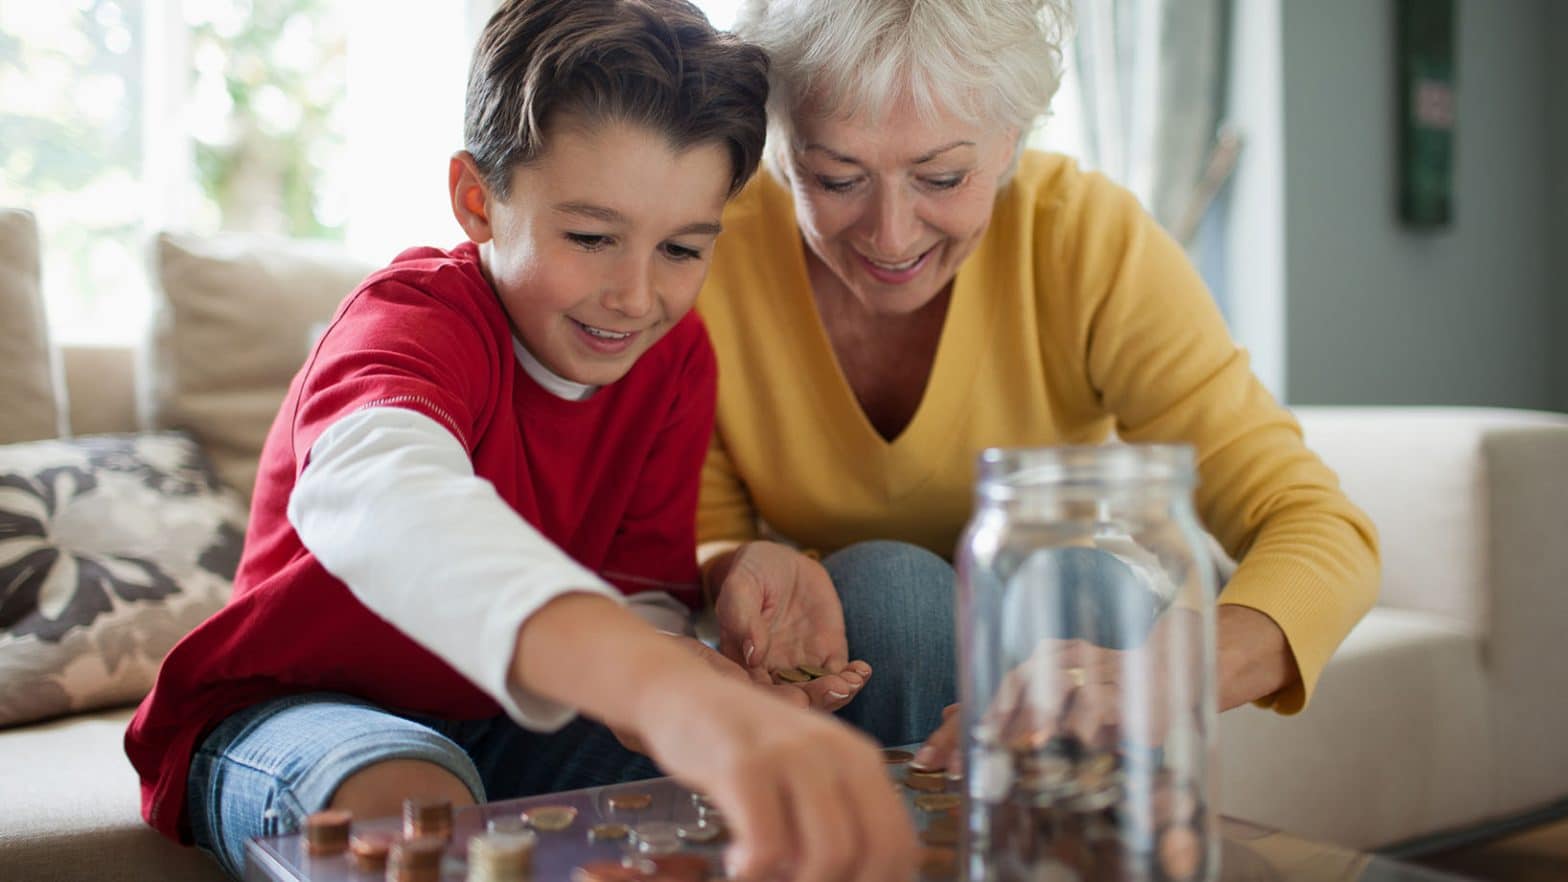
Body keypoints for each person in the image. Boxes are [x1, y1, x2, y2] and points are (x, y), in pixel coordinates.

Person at [125, 3, 917, 881]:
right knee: (414, 804)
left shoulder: (676, 360)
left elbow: (636, 594)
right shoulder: (411, 322)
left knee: (737, 789)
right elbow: (391, 501)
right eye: (590, 237)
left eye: (682, 249)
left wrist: (682, 663)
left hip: (512, 721)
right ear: (477, 201)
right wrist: (655, 687)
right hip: (303, 709)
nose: (635, 295)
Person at [695, 0, 1381, 767]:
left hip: (1069, 615)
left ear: (1010, 141)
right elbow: (709, 527)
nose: (891, 236)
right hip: (857, 631)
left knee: (1073, 577)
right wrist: (736, 564)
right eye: (837, 178)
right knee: (890, 590)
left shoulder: (1083, 237)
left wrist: (1171, 674)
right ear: (780, 151)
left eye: (943, 176)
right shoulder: (710, 244)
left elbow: (1317, 524)